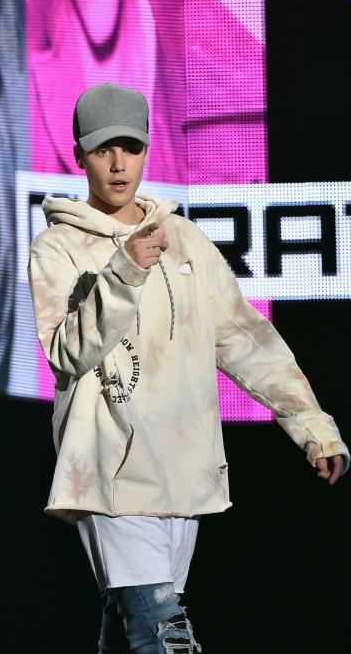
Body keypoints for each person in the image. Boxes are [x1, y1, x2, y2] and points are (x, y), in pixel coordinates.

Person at [27, 82, 347, 653]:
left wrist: (312, 426)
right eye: (103, 149)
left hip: (184, 467)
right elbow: (66, 352)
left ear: (148, 149)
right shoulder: (59, 248)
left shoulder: (186, 242)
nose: (119, 163)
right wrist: (123, 273)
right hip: (111, 469)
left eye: (131, 146)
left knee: (134, 628)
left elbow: (247, 341)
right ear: (79, 155)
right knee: (162, 633)